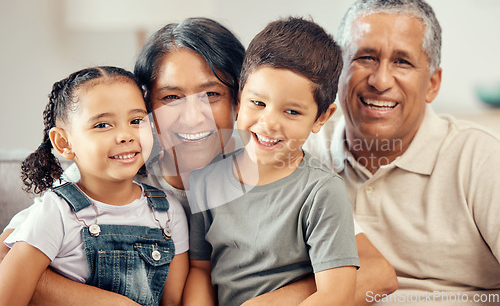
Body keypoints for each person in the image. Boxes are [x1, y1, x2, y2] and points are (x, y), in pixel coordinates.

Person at [0, 18, 396, 306]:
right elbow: (9, 253)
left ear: (240, 99)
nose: (193, 117)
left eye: (211, 95)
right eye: (171, 98)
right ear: (146, 105)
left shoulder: (273, 165)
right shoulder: (114, 169)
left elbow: (377, 273)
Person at [304, 0, 500, 305]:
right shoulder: (304, 157)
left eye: (402, 61)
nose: (380, 81)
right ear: (337, 70)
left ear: (432, 84)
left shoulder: (481, 159)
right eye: (365, 57)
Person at [185, 17, 360, 306]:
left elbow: (335, 295)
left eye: (291, 112)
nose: (269, 124)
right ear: (239, 99)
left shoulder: (322, 192)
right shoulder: (206, 181)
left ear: (321, 118)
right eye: (258, 103)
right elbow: (200, 271)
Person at [0, 66, 189, 306]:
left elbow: (171, 301)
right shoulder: (55, 212)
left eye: (136, 120)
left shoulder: (168, 213)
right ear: (64, 142)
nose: (125, 135)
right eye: (102, 125)